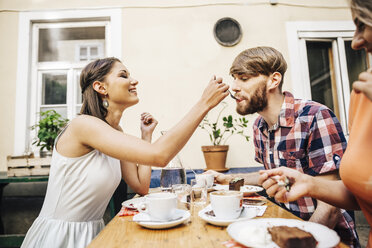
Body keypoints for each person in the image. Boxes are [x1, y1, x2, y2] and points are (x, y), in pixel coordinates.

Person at [21, 57, 229, 248]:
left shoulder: (114, 133)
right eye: (123, 75)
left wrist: (145, 137)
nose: (134, 81)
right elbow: (160, 155)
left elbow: (141, 186)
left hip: (96, 233)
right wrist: (204, 104)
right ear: (100, 87)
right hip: (60, 237)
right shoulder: (83, 125)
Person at [206, 46, 359, 247]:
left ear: (273, 80)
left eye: (243, 78)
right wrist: (230, 179)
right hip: (282, 229)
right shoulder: (259, 126)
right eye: (234, 78)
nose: (234, 87)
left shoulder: (314, 117)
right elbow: (269, 176)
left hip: (323, 239)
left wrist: (295, 241)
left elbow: (330, 208)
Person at [259, 0, 372, 247]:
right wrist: (309, 183)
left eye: (363, 25)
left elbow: (332, 211)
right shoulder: (362, 96)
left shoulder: (314, 114)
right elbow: (360, 195)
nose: (355, 41)